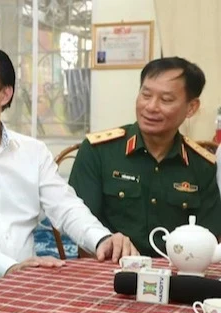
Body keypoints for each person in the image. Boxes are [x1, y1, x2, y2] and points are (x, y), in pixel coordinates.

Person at [0, 44, 137, 282]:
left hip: (28, 281)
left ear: (5, 94)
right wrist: (11, 268)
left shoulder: (32, 151)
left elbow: (65, 206)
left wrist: (102, 239)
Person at [69, 57, 221, 255]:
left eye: (166, 100)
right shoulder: (98, 151)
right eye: (146, 95)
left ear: (191, 107)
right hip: (109, 272)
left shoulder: (202, 165)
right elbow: (80, 229)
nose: (150, 107)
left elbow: (209, 240)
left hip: (176, 275)